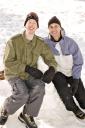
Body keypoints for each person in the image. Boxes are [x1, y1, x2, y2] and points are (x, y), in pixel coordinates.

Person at [0, 12, 57, 128]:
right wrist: (26, 68)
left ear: (37, 26)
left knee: (40, 87)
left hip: (30, 75)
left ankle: (26, 114)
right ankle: (5, 109)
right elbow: (8, 62)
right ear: (25, 24)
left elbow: (50, 58)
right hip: (14, 74)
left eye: (34, 23)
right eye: (29, 22)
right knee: (22, 94)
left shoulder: (40, 43)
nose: (31, 25)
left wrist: (52, 68)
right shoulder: (13, 41)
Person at [44, 16, 85, 120]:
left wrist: (76, 79)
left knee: (82, 96)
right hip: (57, 72)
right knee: (63, 90)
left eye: (56, 26)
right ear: (48, 29)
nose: (54, 29)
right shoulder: (45, 43)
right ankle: (73, 108)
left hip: (71, 71)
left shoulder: (70, 42)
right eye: (51, 27)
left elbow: (78, 61)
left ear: (61, 28)